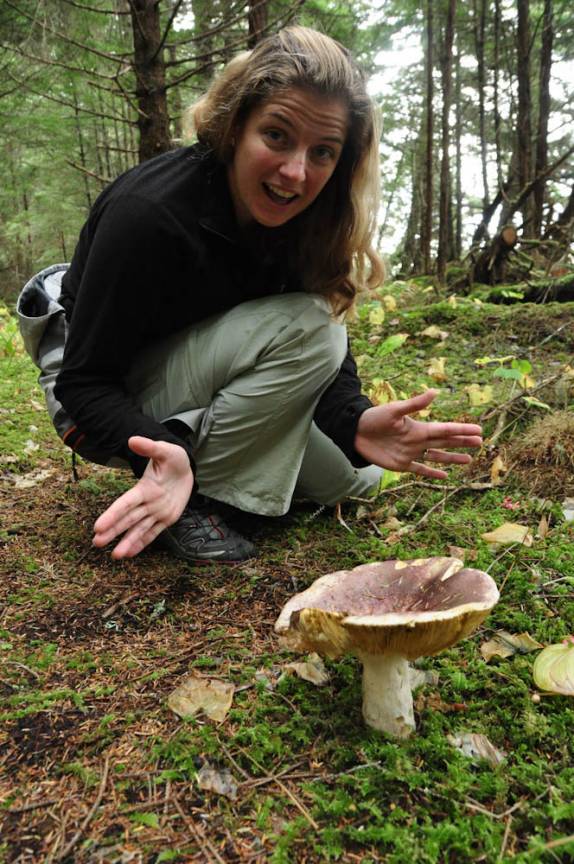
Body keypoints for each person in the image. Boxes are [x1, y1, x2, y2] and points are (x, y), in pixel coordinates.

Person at [17, 26, 482, 565]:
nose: (295, 173)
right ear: (236, 124)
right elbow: (85, 379)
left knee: (356, 479)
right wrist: (156, 447)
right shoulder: (150, 215)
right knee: (311, 326)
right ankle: (198, 495)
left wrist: (354, 419)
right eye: (277, 136)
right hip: (102, 396)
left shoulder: (309, 219)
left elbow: (321, 350)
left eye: (323, 152)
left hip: (204, 375)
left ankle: (207, 470)